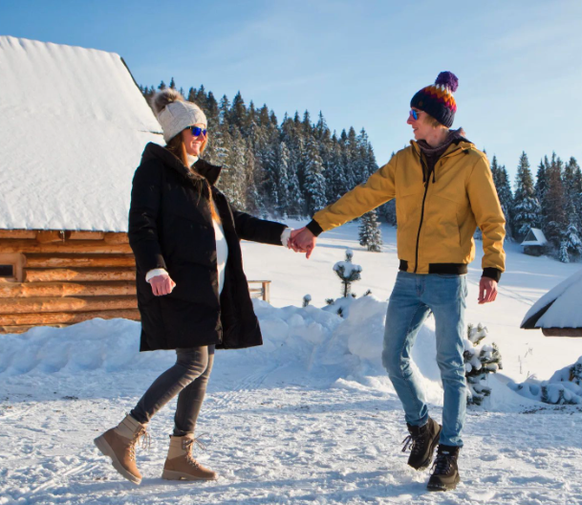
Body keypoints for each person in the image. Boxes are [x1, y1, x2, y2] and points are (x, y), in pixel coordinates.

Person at [292, 72, 506, 492]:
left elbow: (492, 219)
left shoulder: (471, 162)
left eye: (416, 114)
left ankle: (450, 452)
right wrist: (316, 226)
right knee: (393, 357)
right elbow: (362, 195)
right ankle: (422, 426)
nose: (409, 121)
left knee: (449, 366)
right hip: (409, 276)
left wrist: (493, 268)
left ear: (437, 121)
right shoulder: (403, 161)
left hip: (449, 280)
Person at [94, 89, 297, 485]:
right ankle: (124, 434)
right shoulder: (154, 171)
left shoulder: (203, 182)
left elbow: (239, 221)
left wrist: (287, 234)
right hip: (177, 284)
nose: (203, 137)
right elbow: (142, 224)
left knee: (203, 368)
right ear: (177, 133)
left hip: (209, 289)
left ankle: (178, 456)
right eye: (195, 130)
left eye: (205, 130)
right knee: (193, 362)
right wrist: (154, 267)